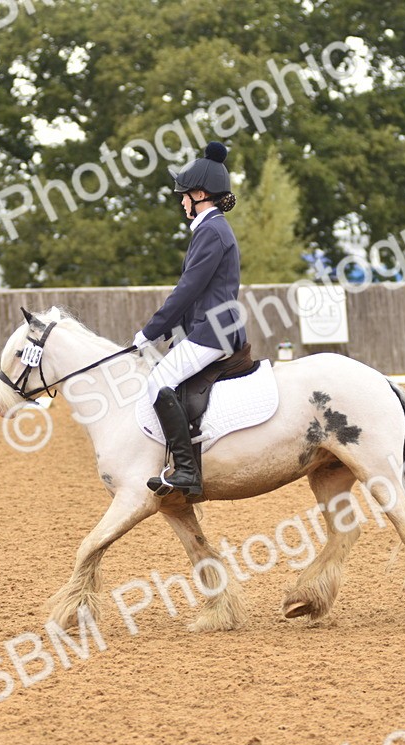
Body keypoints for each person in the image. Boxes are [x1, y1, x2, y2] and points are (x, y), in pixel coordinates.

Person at [132, 141, 246, 498]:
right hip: (207, 327)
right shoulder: (210, 230)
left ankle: (186, 471)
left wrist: (148, 333)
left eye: (184, 195)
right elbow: (193, 293)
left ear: (199, 194)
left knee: (158, 382)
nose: (181, 201)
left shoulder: (211, 231)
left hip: (214, 331)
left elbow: (186, 290)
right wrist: (166, 332)